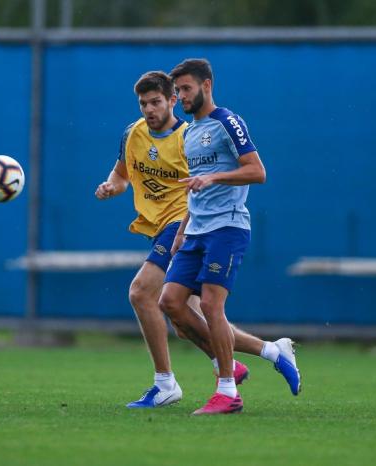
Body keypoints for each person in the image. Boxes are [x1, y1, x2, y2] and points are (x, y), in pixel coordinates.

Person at [96, 71, 300, 409]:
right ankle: (268, 351)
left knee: (143, 291)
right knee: (182, 317)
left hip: (191, 223)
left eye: (157, 101)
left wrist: (198, 202)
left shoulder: (197, 132)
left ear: (174, 100)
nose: (149, 109)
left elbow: (252, 171)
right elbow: (121, 176)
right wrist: (110, 187)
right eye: (143, 103)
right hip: (172, 227)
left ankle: (168, 383)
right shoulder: (135, 134)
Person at [159, 58, 301, 415]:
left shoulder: (227, 121)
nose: (182, 96)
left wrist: (216, 178)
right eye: (178, 91)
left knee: (210, 305)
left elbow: (257, 171)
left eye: (186, 89)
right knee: (171, 303)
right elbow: (196, 185)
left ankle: (227, 390)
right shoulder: (189, 132)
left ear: (207, 85)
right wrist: (182, 228)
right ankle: (267, 352)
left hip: (228, 226)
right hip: (196, 230)